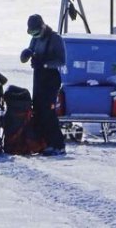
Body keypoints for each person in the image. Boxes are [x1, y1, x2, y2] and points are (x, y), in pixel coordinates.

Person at [20, 14, 67, 156]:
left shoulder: (55, 39)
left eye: (36, 32)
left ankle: (58, 145)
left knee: (48, 111)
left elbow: (61, 61)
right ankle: (44, 143)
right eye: (31, 33)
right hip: (38, 77)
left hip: (51, 79)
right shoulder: (35, 39)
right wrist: (26, 54)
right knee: (38, 110)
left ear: (43, 27)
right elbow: (30, 52)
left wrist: (45, 64)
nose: (34, 35)